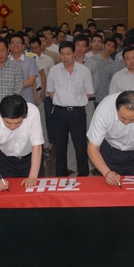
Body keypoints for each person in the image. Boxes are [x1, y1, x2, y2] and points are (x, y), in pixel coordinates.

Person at [87, 90, 134, 187]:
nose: (126, 123)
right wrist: (106, 172)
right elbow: (93, 148)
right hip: (111, 152)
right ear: (117, 108)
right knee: (110, 189)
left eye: (133, 119)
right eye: (122, 117)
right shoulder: (105, 108)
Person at [46, 41, 94, 177]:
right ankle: (61, 175)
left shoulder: (84, 71)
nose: (65, 57)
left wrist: (76, 102)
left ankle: (83, 174)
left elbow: (89, 92)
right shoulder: (54, 71)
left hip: (77, 112)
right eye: (62, 54)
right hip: (59, 112)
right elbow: (50, 91)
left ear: (74, 54)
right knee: (60, 146)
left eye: (68, 54)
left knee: (80, 145)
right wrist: (61, 102)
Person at [0, 94, 45, 191]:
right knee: (9, 193)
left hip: (31, 159)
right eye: (8, 123)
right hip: (6, 162)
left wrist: (32, 177)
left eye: (18, 123)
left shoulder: (32, 112)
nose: (12, 127)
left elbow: (37, 146)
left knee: (36, 194)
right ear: (1, 115)